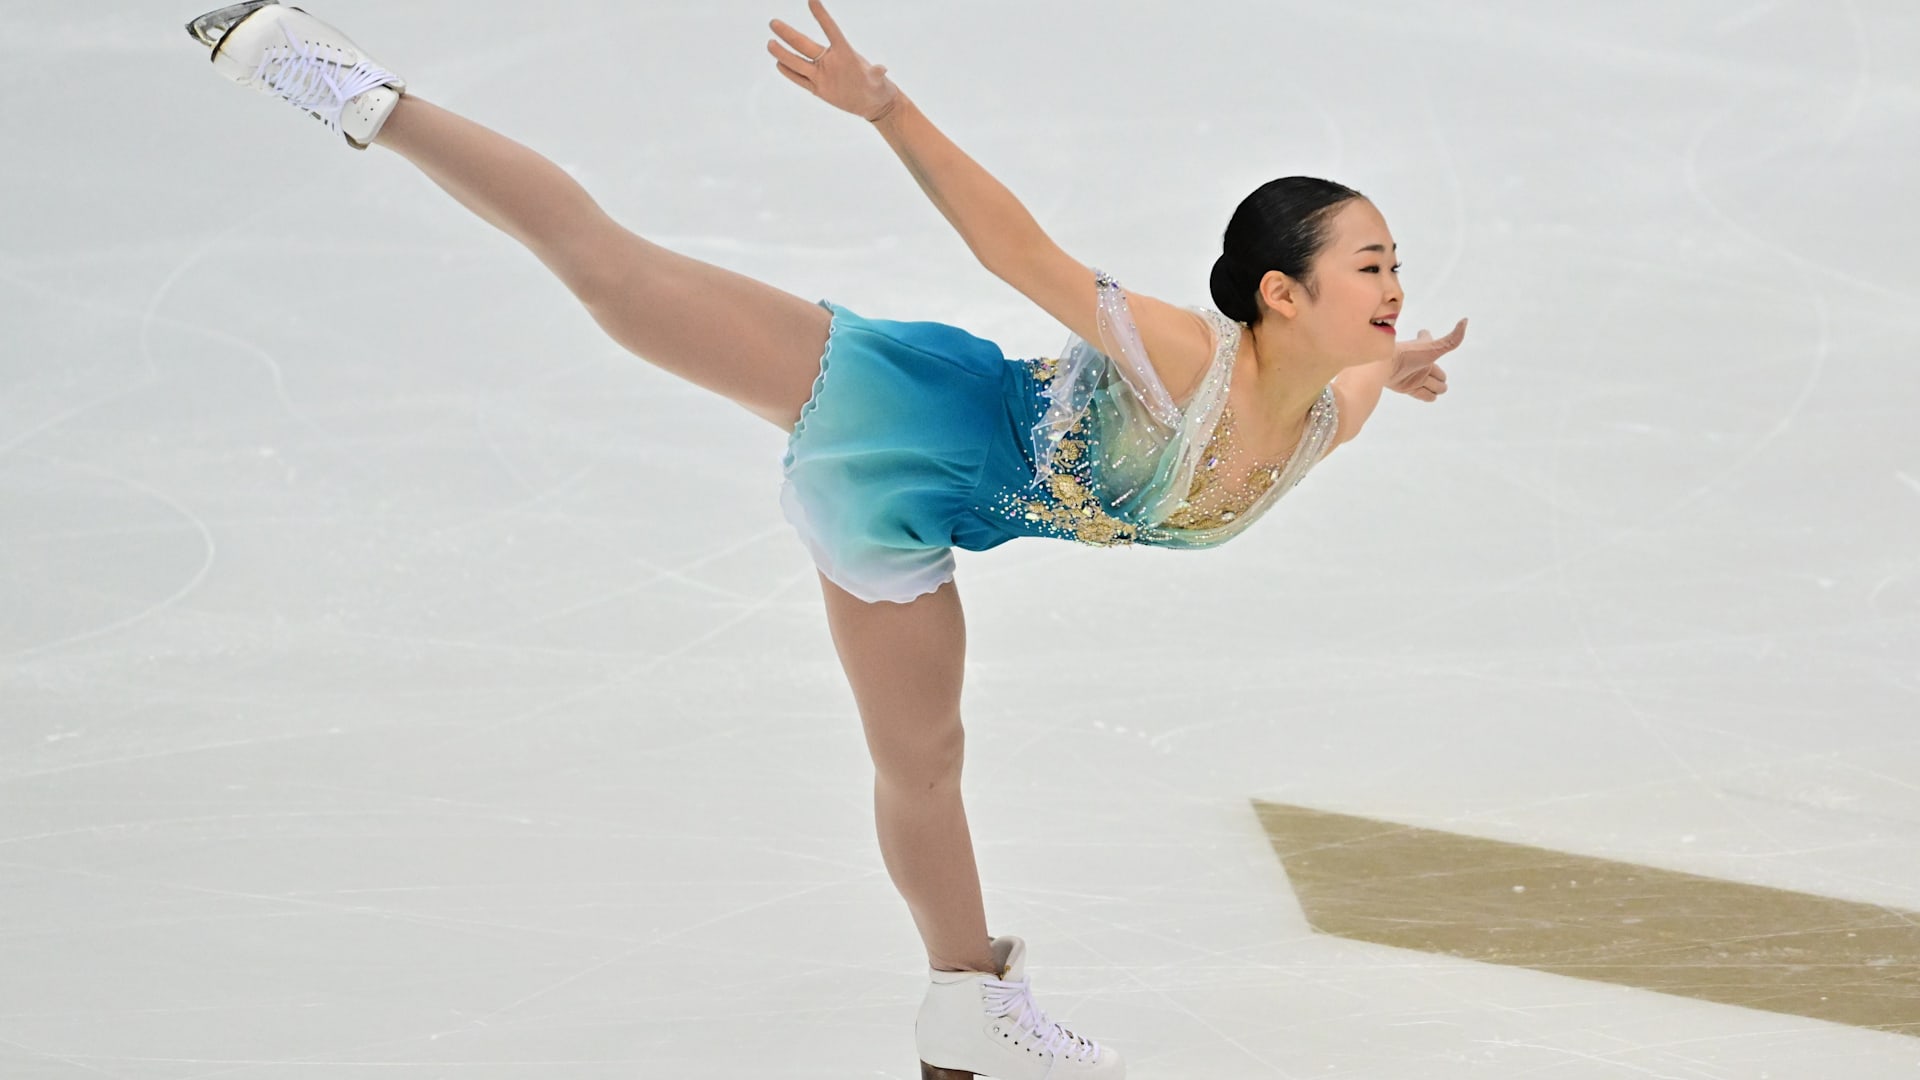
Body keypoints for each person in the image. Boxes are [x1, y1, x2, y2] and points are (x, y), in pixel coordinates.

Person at [183, 2, 1468, 1076]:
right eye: (1371, 268)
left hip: (931, 515)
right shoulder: (1184, 360)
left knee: (925, 758)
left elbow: (1354, 379)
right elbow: (1011, 245)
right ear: (1281, 293)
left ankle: (968, 1008)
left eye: (1396, 264)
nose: (1396, 286)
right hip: (908, 405)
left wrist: (1390, 363)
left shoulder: (1330, 414)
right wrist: (885, 107)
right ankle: (342, 82)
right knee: (614, 274)